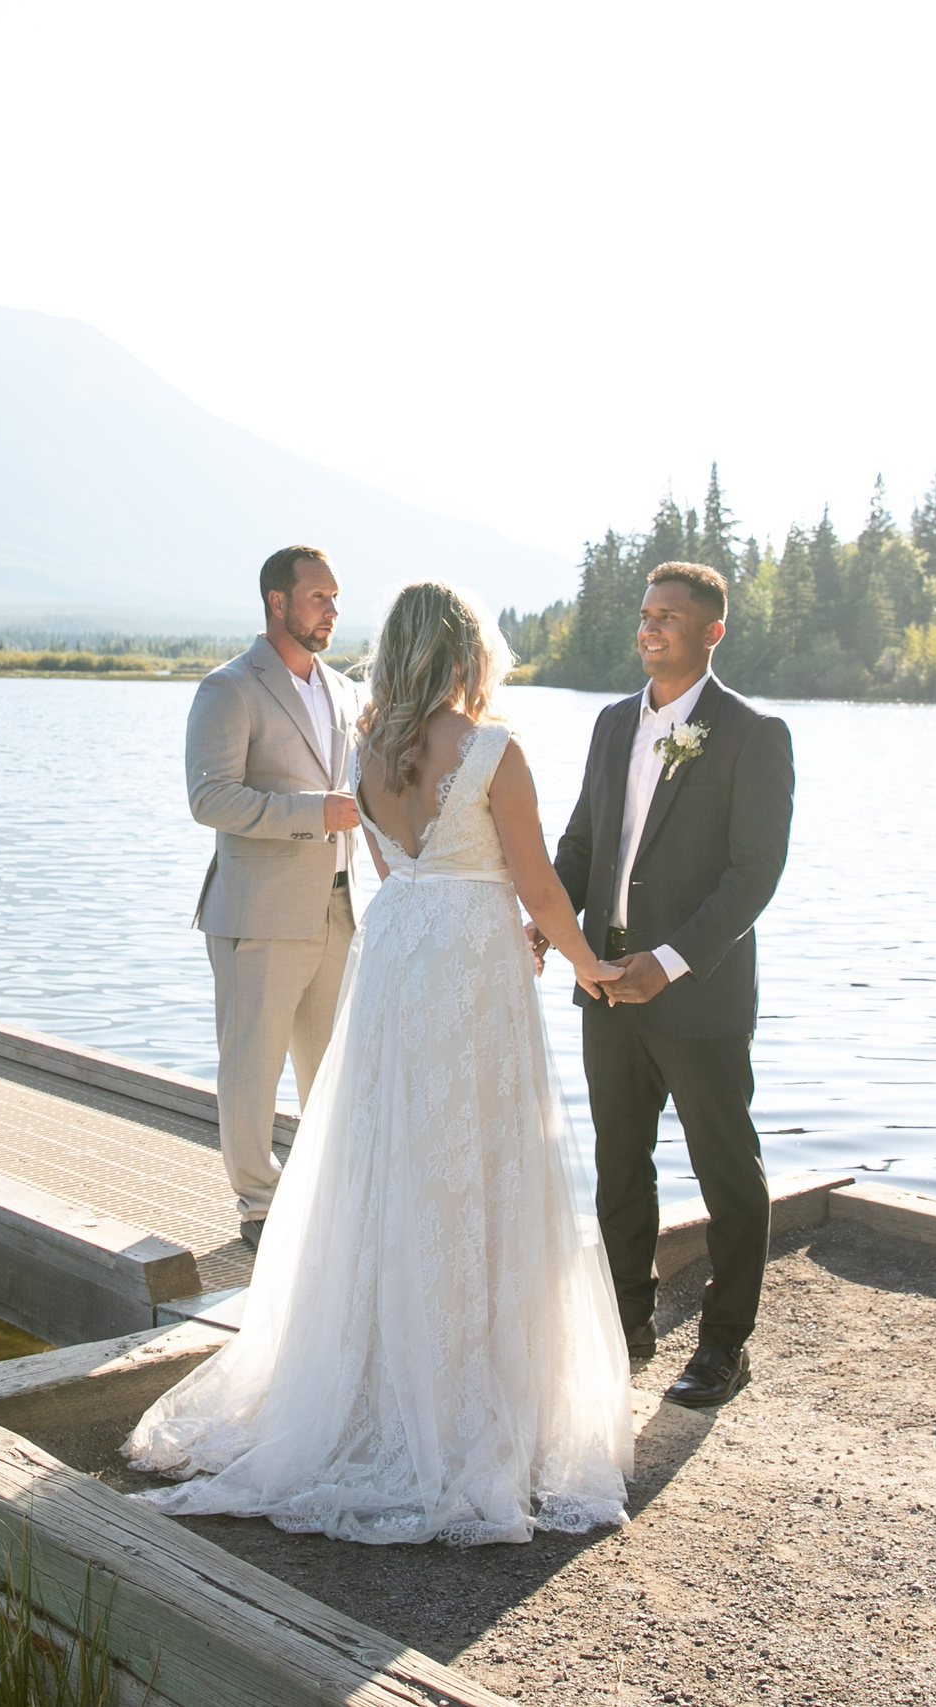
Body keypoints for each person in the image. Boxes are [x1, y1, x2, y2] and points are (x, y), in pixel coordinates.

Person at [128, 581, 633, 1546]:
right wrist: (589, 964)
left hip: (399, 962)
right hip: (473, 970)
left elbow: (399, 871)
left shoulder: (366, 752)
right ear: (461, 653)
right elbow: (538, 884)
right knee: (480, 1164)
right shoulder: (492, 749)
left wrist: (487, 914)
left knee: (395, 1164)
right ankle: (468, 1405)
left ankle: (379, 1383)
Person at [541, 562, 794, 1411]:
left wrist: (672, 961)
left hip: (698, 996)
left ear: (712, 631)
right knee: (620, 1164)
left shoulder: (755, 735)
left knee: (726, 1169)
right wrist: (550, 918)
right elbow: (582, 840)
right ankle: (625, 1323)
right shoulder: (613, 724)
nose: (650, 630)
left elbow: (754, 876)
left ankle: (724, 1346)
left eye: (670, 619)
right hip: (606, 985)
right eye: (645, 616)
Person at [183, 545, 361, 1249]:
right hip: (256, 914)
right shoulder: (228, 688)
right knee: (251, 1069)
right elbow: (209, 797)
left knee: (329, 1070)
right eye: (319, 597)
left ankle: (318, 1197)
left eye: (336, 597)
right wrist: (311, 812)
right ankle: (258, 1205)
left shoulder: (346, 691)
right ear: (277, 602)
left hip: (339, 909)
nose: (332, 610)